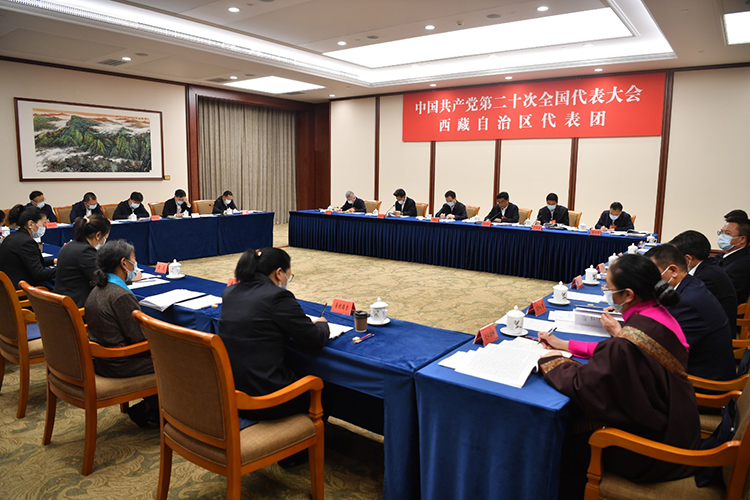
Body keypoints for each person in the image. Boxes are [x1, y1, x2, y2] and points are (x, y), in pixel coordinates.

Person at [537, 254, 700, 497]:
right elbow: (615, 351)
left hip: (655, 450)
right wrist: (565, 344)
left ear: (628, 295)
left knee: (564, 441)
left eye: (609, 288)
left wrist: (551, 362)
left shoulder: (629, 340)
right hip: (678, 423)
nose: (606, 292)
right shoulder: (659, 314)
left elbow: (586, 385)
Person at [218, 247, 329, 421]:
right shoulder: (278, 297)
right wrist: (322, 324)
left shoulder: (230, 292)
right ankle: (306, 436)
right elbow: (314, 339)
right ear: (279, 273)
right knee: (328, 391)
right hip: (265, 399)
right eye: (288, 275)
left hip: (231, 392)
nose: (287, 280)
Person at [85, 239, 158, 427]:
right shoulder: (120, 295)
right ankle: (160, 411)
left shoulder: (98, 288)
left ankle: (153, 407)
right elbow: (139, 337)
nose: (136, 264)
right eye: (134, 259)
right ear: (124, 263)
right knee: (177, 359)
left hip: (101, 360)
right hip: (119, 363)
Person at [644, 244, 735, 381]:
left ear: (673, 271)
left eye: (651, 274)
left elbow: (662, 348)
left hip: (703, 381)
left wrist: (620, 331)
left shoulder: (687, 302)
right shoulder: (690, 284)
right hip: (699, 365)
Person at [669, 230, 737, 331]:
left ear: (688, 259)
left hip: (714, 333)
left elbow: (684, 305)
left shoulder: (706, 277)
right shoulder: (707, 266)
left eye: (675, 257)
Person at [53, 214, 110, 308]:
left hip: (62, 304)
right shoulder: (86, 252)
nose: (105, 241)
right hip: (76, 308)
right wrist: (126, 278)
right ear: (98, 235)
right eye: (105, 237)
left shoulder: (68, 246)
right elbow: (101, 281)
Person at [0, 205, 56, 289]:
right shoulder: (27, 242)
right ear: (30, 224)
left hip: (8, 288)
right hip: (22, 290)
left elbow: (30, 260)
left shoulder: (11, 237)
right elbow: (40, 274)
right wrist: (63, 268)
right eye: (43, 223)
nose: (44, 227)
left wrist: (53, 261)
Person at [714, 216, 750, 305]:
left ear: (742, 239)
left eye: (727, 233)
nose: (722, 236)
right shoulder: (722, 256)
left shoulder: (743, 264)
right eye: (721, 232)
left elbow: (721, 294)